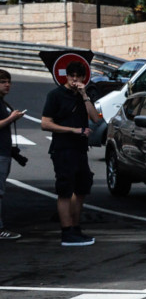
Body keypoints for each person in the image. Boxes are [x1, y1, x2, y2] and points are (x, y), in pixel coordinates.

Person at [41, 61, 102, 247]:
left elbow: (95, 118)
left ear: (83, 77)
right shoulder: (55, 95)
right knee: (65, 190)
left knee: (82, 187)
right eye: (71, 75)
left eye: (78, 76)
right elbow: (45, 123)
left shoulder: (84, 95)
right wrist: (72, 130)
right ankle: (66, 232)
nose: (74, 79)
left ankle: (75, 228)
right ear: (66, 76)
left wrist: (84, 95)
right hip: (63, 149)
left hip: (80, 149)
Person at [0, 69, 27, 240]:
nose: (7, 84)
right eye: (3, 81)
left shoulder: (3, 102)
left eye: (9, 81)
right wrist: (11, 118)